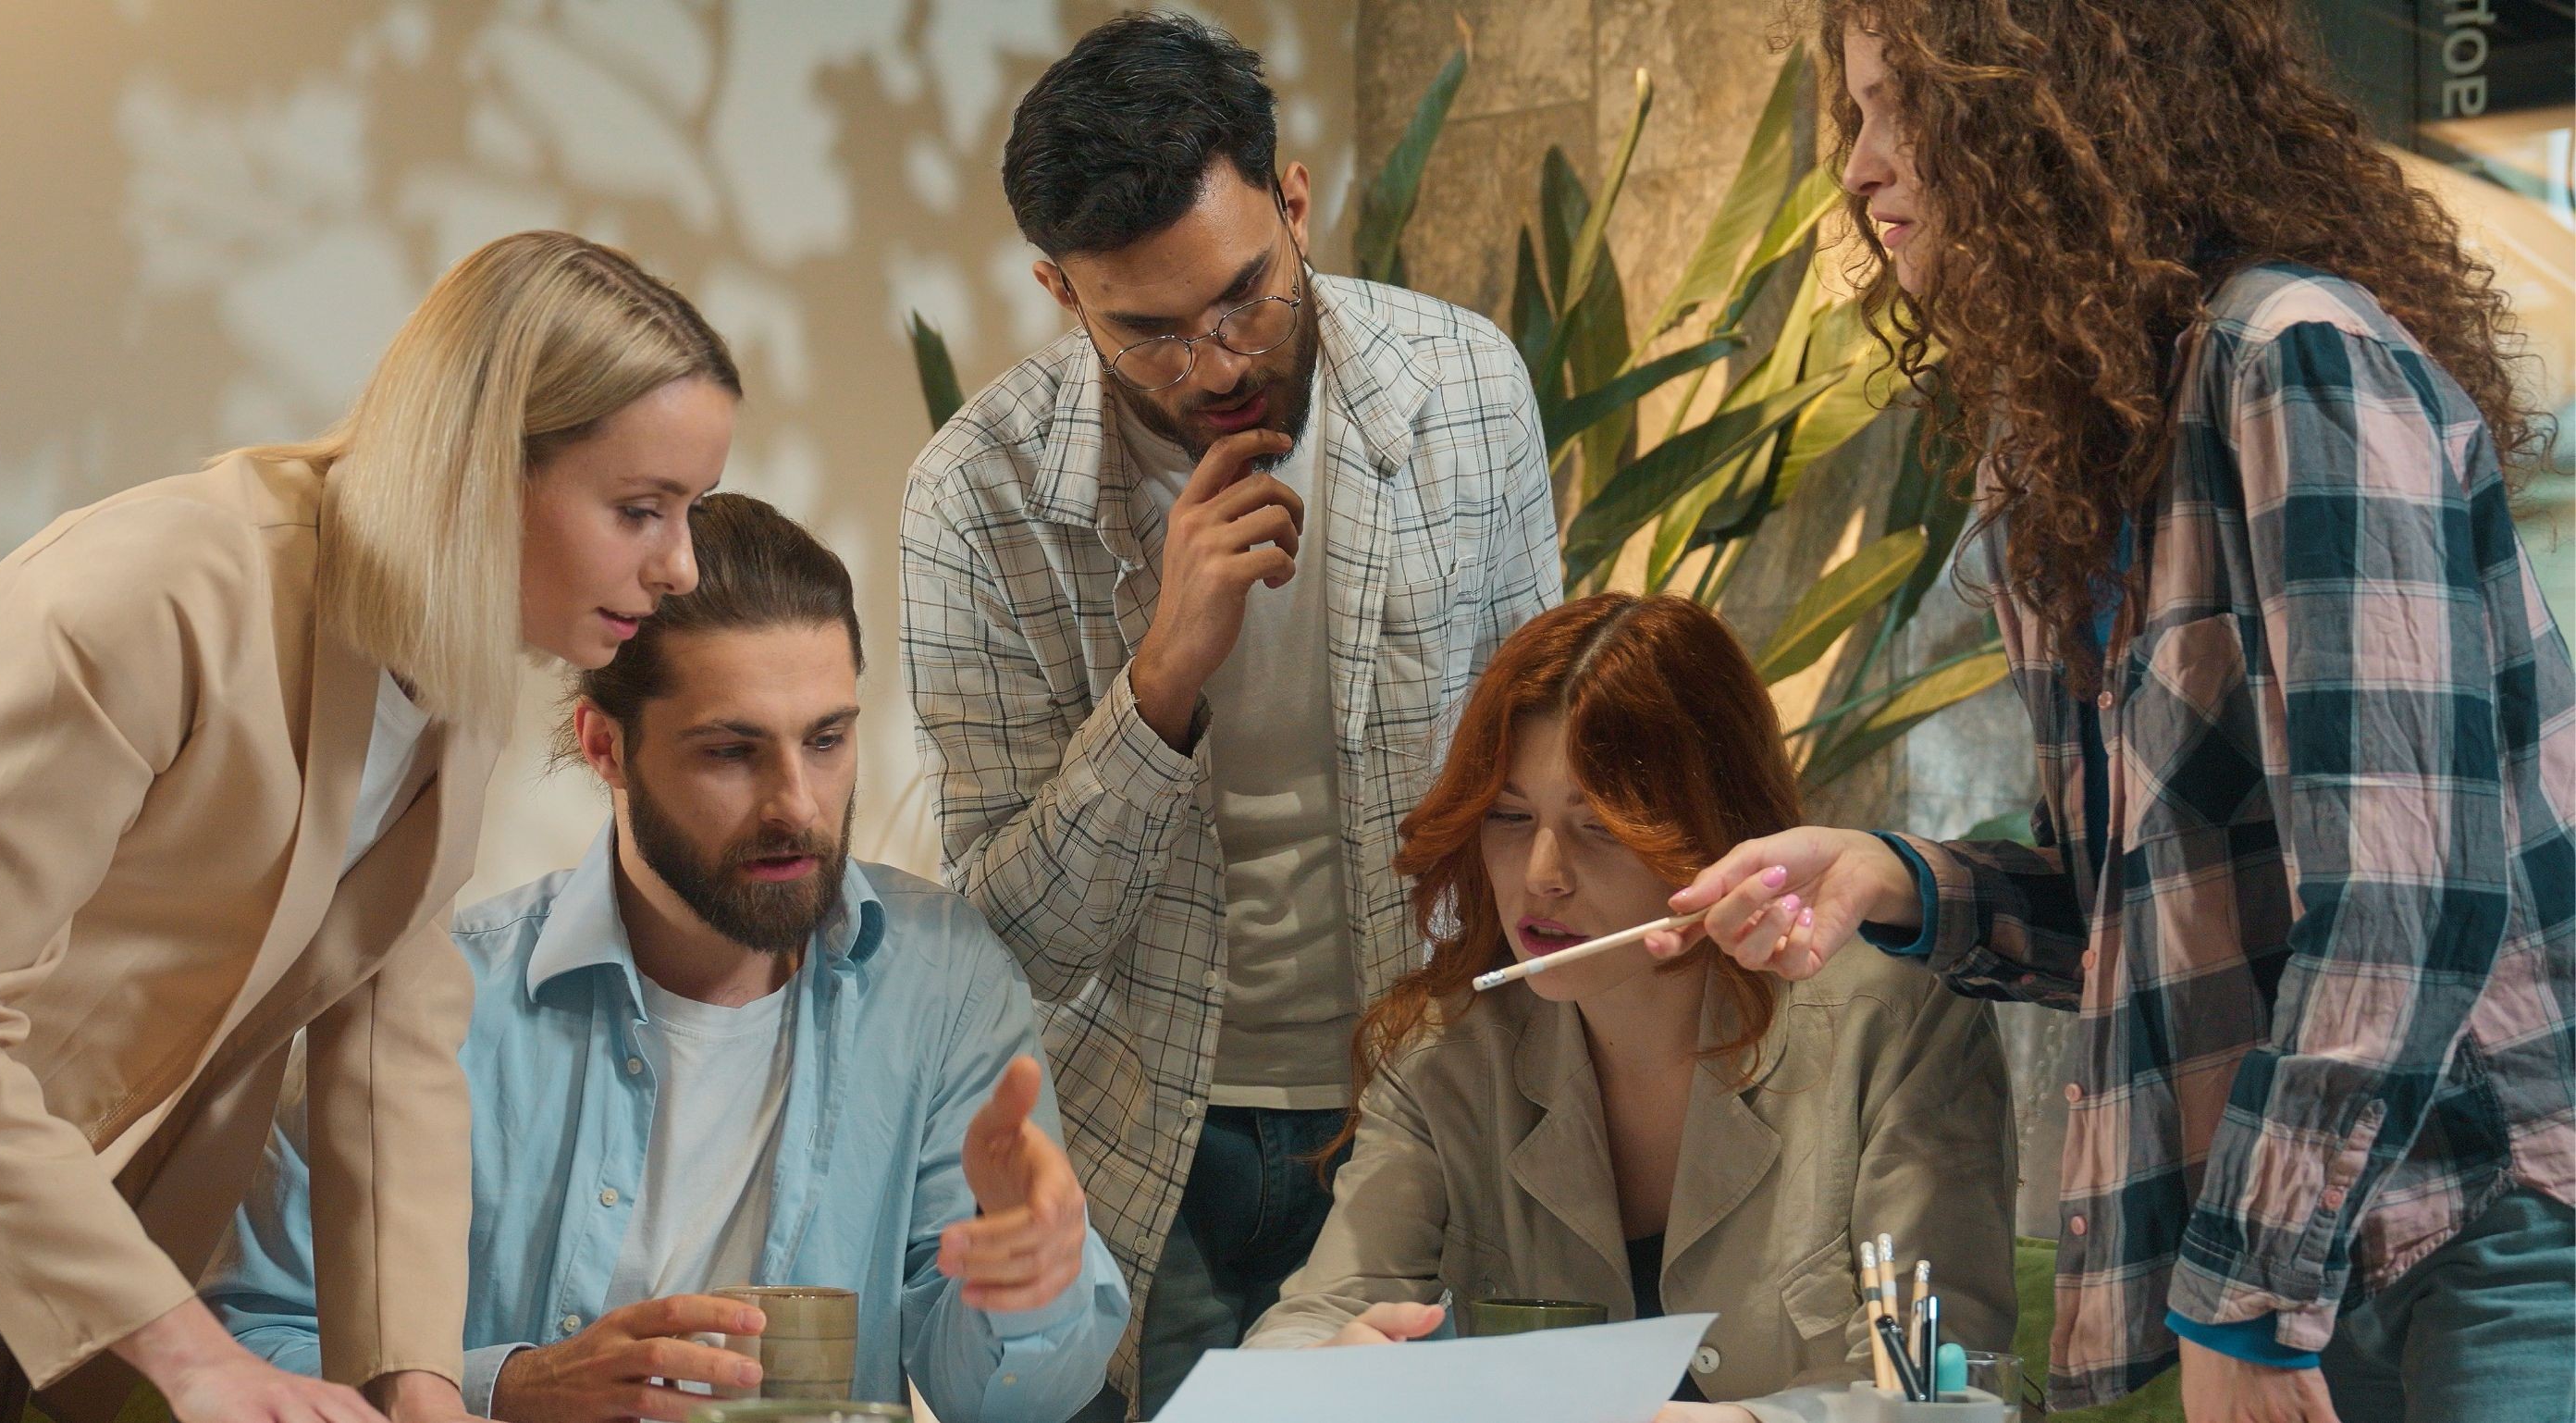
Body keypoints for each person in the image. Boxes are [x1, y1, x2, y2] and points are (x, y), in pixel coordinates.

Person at [1656, 6, 2576, 1422]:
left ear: (2051, 106)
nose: (1864, 168)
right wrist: (1895, 878)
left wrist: (2251, 1293)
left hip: (2490, 1226)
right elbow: (2142, 912)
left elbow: (2409, 890)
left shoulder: (2295, 357)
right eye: (1857, 117)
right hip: (2322, 1240)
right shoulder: (2059, 457)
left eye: (1910, 108)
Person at [0, 230, 735, 1423]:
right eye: (642, 510)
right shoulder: (154, 598)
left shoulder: (449, 672)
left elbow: (392, 1050)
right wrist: (198, 1360)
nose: (683, 568)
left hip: (26, 1280)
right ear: (476, 467)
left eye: (691, 510)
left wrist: (422, 1389)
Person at [899, 13, 1560, 1417]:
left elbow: (1533, 782)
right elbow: (1006, 932)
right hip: (1146, 1137)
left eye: (1245, 295)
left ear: (1296, 203)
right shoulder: (975, 501)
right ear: (1059, 294)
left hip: (1431, 1109)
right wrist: (1161, 684)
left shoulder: (1467, 395)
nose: (1211, 363)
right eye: (1145, 329)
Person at [203, 493, 1127, 1423]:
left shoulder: (939, 983)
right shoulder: (435, 999)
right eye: (732, 750)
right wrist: (513, 1387)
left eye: (827, 739)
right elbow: (253, 1337)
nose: (798, 805)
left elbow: (1008, 1404)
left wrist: (1032, 1280)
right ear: (605, 744)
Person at [1242, 593, 2016, 1422]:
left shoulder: (1894, 1016)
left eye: (1600, 828)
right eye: (1510, 817)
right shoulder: (1447, 1051)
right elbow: (1319, 1311)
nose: (1543, 872)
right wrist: (1320, 1377)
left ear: (1714, 830)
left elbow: (1950, 1382)